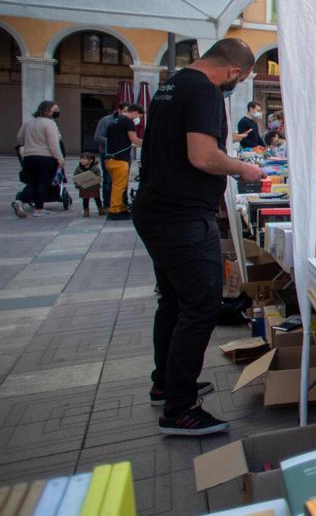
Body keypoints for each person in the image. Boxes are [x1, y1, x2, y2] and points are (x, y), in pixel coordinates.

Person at [133, 38, 266, 435]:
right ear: (233, 72)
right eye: (239, 79)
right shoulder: (205, 91)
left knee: (173, 302)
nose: (234, 86)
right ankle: (180, 408)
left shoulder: (172, 85)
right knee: (201, 306)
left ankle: (166, 383)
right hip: (181, 217)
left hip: (157, 209)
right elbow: (203, 155)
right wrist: (243, 169)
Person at [13, 101, 65, 218]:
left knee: (32, 183)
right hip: (46, 158)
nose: (57, 112)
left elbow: (19, 139)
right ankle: (39, 209)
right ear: (47, 110)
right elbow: (53, 143)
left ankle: (19, 201)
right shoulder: (50, 124)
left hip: (29, 157)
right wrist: (60, 158)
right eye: (54, 110)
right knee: (43, 183)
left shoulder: (29, 123)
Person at [104, 103, 144, 221]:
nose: (138, 119)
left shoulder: (114, 121)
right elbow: (134, 140)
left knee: (116, 184)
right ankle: (115, 211)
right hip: (120, 160)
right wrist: (147, 142)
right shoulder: (128, 122)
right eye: (139, 117)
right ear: (135, 113)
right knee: (119, 186)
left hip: (110, 159)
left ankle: (121, 208)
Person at [93, 102, 130, 214]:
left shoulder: (129, 121)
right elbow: (98, 137)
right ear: (118, 110)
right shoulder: (106, 121)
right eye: (125, 111)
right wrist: (115, 141)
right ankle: (108, 203)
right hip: (109, 154)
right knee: (109, 179)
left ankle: (123, 203)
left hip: (124, 154)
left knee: (123, 180)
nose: (127, 113)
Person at [74, 152, 103, 217]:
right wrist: (77, 182)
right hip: (84, 187)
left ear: (91, 160)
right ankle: (86, 211)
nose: (82, 160)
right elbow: (75, 176)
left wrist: (97, 178)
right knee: (85, 199)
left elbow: (98, 177)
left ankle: (100, 209)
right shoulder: (78, 168)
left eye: (84, 159)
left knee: (97, 198)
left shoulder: (95, 168)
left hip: (93, 186)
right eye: (81, 159)